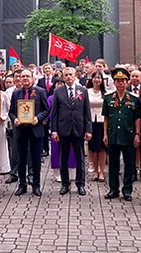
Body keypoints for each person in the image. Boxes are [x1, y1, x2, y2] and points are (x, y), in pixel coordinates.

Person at [50, 67, 92, 196]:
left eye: (71, 74)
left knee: (80, 158)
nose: (68, 77)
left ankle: (80, 184)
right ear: (63, 76)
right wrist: (54, 131)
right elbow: (55, 113)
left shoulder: (82, 91)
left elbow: (87, 112)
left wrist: (88, 130)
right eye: (66, 75)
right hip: (63, 129)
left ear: (75, 76)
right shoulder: (58, 91)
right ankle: (65, 184)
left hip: (78, 129)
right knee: (63, 157)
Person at [102, 68, 141, 202]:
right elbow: (106, 118)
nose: (120, 84)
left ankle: (127, 190)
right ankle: (113, 189)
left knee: (129, 164)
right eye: (118, 81)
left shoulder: (134, 99)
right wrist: (105, 134)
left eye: (123, 81)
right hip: (113, 135)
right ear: (114, 82)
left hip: (128, 135)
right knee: (113, 164)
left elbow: (137, 118)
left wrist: (137, 134)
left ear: (127, 82)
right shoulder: (108, 98)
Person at [9, 69, 49, 196]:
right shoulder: (16, 93)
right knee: (21, 158)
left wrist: (38, 118)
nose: (25, 78)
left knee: (36, 159)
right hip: (21, 130)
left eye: (27, 76)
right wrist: (14, 118)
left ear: (33, 78)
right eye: (23, 76)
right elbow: (11, 111)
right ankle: (22, 185)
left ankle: (36, 185)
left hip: (35, 129)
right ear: (19, 78)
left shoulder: (40, 91)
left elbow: (46, 110)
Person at [47, 78, 76, 182]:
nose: (59, 85)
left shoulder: (71, 96)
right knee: (56, 150)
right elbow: (49, 112)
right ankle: (58, 173)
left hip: (70, 126)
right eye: (57, 84)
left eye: (61, 83)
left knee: (71, 150)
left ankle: (72, 172)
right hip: (56, 126)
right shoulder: (51, 98)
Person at [128, 70, 141, 182]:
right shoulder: (125, 91)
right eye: (133, 76)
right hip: (129, 125)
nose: (135, 78)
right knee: (130, 150)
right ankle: (132, 173)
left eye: (137, 76)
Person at [86, 71, 107, 183]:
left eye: (99, 78)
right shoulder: (86, 92)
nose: (97, 80)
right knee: (93, 148)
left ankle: (102, 171)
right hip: (90, 122)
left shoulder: (106, 92)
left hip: (102, 121)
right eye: (95, 78)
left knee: (102, 148)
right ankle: (95, 170)